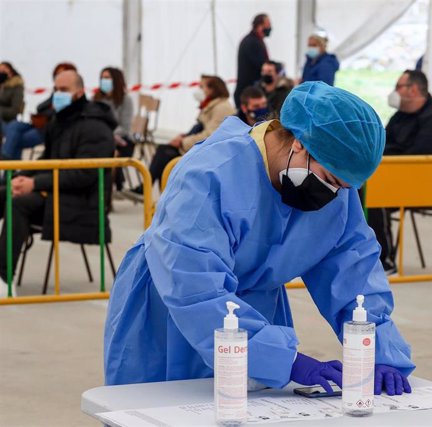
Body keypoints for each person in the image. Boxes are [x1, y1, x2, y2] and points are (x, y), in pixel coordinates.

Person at [104, 81, 415, 397]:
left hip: (252, 313)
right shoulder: (210, 174)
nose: (335, 194)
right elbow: (195, 288)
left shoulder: (330, 187)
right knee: (169, 405)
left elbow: (353, 271)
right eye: (332, 180)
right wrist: (287, 360)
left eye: (345, 188)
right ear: (299, 144)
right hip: (171, 310)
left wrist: (377, 350)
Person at [0, 70, 116, 297]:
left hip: (83, 204)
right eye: (55, 89)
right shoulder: (59, 122)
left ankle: (3, 278)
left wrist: (35, 185)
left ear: (80, 93)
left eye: (63, 90)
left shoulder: (95, 126)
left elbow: (84, 174)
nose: (57, 95)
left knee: (19, 203)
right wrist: (22, 177)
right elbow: (48, 160)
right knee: (5, 192)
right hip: (57, 193)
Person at [368, 70, 432, 273]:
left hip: (421, 184)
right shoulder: (400, 116)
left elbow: (418, 158)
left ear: (413, 90)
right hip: (393, 177)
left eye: (398, 86)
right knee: (352, 190)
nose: (394, 92)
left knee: (370, 197)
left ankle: (383, 260)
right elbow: (383, 143)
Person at [130, 75, 235, 195]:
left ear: (212, 89)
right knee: (163, 152)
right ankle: (154, 189)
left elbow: (210, 135)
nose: (199, 90)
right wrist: (183, 137)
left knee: (164, 154)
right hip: (197, 146)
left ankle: (150, 187)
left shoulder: (221, 108)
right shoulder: (210, 105)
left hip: (207, 151)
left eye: (201, 87)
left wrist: (182, 141)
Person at [1, 62, 76, 161]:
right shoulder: (55, 93)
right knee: (14, 126)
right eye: (57, 74)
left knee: (15, 139)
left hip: (47, 129)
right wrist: (51, 108)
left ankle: (7, 162)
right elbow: (40, 107)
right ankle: (8, 162)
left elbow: (15, 110)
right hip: (37, 123)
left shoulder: (71, 98)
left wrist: (53, 109)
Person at [93, 67, 135, 191]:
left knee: (106, 152)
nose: (103, 81)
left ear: (116, 80)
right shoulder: (96, 99)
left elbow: (125, 128)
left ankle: (107, 189)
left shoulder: (126, 100)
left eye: (107, 78)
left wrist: (106, 134)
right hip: (99, 140)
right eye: (102, 78)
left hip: (122, 143)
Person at [233, 13, 271, 107]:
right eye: (268, 24)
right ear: (260, 26)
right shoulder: (251, 42)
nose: (270, 27)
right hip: (248, 94)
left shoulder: (255, 40)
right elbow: (261, 65)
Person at [0, 61, 25, 137]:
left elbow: (15, 110)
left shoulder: (17, 87)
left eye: (4, 70)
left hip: (8, 121)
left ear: (11, 72)